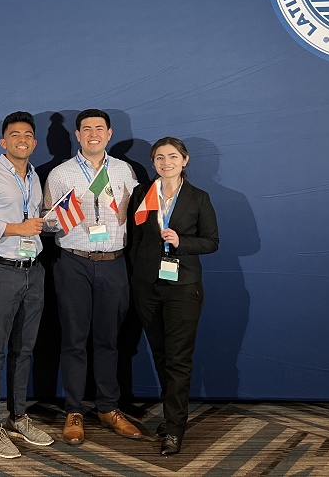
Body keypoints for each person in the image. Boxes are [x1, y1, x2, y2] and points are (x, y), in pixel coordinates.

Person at [42, 109, 143, 444]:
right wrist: (62, 218)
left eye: (99, 128)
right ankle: (73, 409)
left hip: (114, 263)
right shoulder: (61, 174)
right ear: (77, 134)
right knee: (73, 340)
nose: (93, 134)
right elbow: (48, 221)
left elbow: (137, 213)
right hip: (74, 263)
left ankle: (107, 407)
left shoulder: (124, 171)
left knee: (109, 340)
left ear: (109, 134)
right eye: (87, 129)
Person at [0, 111, 54, 459]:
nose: (22, 139)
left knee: (25, 348)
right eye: (14, 134)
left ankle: (18, 417)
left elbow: (37, 222)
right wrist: (19, 229)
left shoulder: (35, 176)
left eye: (28, 134)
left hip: (34, 271)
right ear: (4, 142)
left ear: (34, 142)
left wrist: (51, 222)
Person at [127, 137, 219, 456]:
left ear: (185, 160)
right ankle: (171, 416)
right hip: (147, 287)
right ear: (153, 162)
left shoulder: (198, 198)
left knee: (178, 358)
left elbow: (211, 242)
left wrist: (182, 241)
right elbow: (135, 238)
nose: (166, 162)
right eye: (160, 157)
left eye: (173, 157)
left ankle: (175, 428)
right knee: (161, 355)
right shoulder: (143, 194)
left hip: (183, 287)